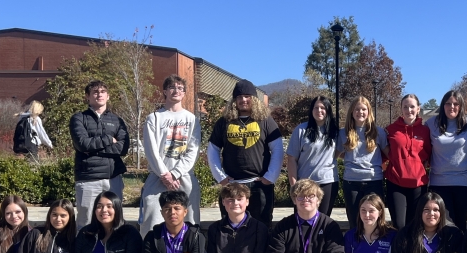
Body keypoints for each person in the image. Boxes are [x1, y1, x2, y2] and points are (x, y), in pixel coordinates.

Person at [207, 78, 283, 224]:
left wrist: (270, 177)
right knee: (230, 227)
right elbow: (213, 149)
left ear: (254, 98)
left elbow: (278, 149)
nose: (243, 100)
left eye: (247, 96)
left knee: (262, 227)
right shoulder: (224, 121)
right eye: (239, 97)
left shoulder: (265, 120)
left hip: (259, 185)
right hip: (232, 185)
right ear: (234, 100)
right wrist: (221, 177)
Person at [139, 74, 201, 234]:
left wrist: (175, 173)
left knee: (190, 223)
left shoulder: (192, 119)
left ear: (184, 93)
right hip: (158, 177)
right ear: (165, 91)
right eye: (172, 87)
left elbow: (193, 150)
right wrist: (165, 175)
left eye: (180, 88)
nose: (176, 90)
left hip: (184, 177)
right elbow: (151, 149)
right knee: (151, 222)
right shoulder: (153, 118)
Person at [70, 80, 130, 228]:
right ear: (88, 97)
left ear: (108, 96)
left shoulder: (117, 120)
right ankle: (84, 252)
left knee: (115, 222)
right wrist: (109, 139)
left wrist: (92, 149)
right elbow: (82, 144)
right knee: (86, 221)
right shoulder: (79, 118)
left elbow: (123, 148)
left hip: (113, 178)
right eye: (95, 92)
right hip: (88, 179)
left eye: (103, 92)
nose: (99, 95)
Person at [427, 90, 467, 228]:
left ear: (461, 105)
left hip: (466, 183)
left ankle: (459, 250)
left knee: (460, 224)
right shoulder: (431, 123)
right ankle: (447, 250)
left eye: (455, 104)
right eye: (448, 103)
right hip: (439, 183)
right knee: (445, 225)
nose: (451, 107)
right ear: (443, 105)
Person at [338, 96, 389, 224]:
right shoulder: (343, 133)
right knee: (354, 221)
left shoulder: (379, 132)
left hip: (373, 180)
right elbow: (337, 154)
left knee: (375, 220)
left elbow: (389, 154)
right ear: (351, 112)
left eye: (363, 109)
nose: (360, 112)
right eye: (357, 109)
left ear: (369, 112)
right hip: (351, 182)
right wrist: (351, 159)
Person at [287, 95, 339, 216]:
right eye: (316, 108)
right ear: (311, 110)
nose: (319, 110)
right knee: (302, 220)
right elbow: (291, 159)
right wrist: (294, 185)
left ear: (328, 110)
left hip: (328, 182)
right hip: (304, 183)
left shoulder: (335, 132)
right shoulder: (301, 130)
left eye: (323, 107)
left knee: (322, 221)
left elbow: (340, 152)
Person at [385, 94, 431, 229]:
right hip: (396, 182)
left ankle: (413, 251)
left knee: (415, 225)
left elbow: (430, 153)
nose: (409, 110)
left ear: (418, 109)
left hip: (418, 184)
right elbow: (383, 152)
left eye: (412, 106)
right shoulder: (391, 130)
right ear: (401, 109)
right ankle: (398, 250)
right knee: (399, 225)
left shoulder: (425, 131)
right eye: (405, 107)